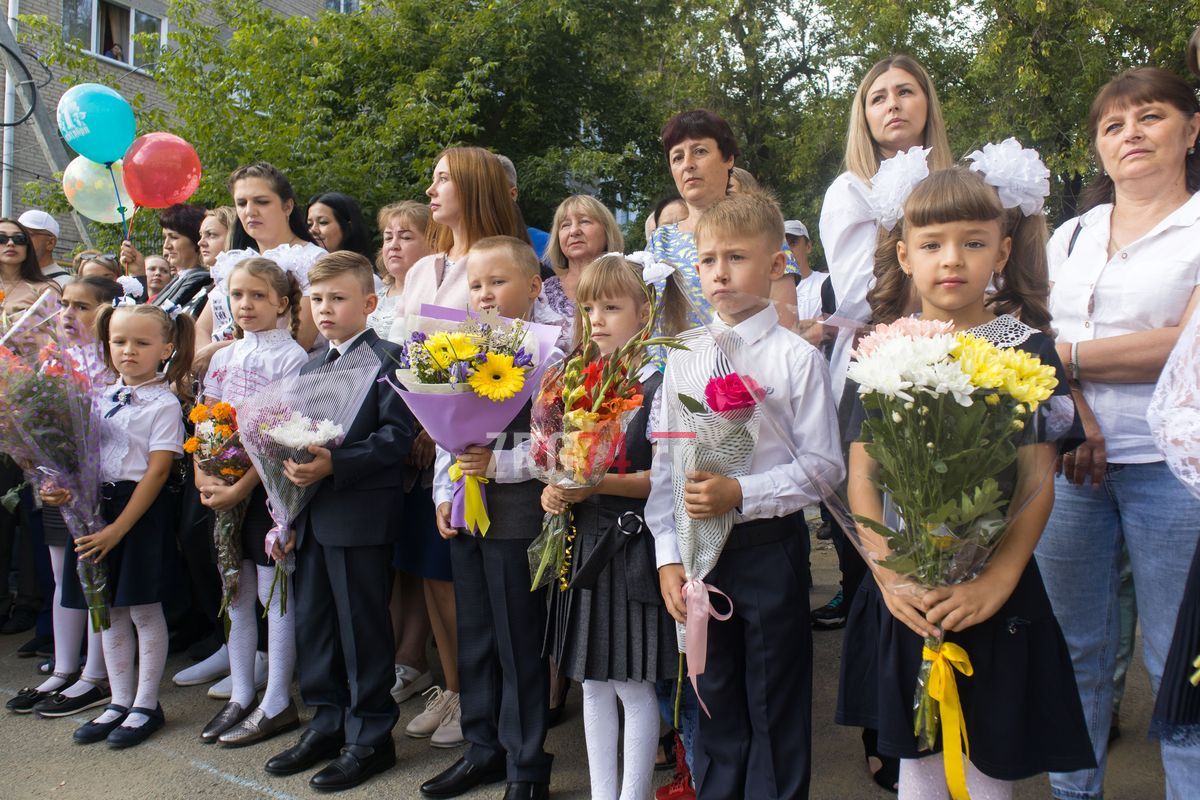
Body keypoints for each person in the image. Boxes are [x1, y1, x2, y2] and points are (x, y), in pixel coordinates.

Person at [839, 163, 1095, 799]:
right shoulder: (878, 349)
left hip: (992, 588)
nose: (951, 260)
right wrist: (888, 570)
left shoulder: (1025, 350)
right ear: (904, 254)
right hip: (908, 586)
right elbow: (861, 477)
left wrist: (998, 579)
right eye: (931, 245)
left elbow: (1038, 480)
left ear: (1003, 251)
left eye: (974, 242)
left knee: (988, 762)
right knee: (917, 759)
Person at [1035, 67, 1200, 800]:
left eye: (1151, 117)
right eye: (1113, 125)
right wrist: (1073, 398)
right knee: (1076, 653)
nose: (1130, 134)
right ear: (1098, 149)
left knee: (1182, 659)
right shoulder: (1069, 236)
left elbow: (1187, 345)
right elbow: (1025, 334)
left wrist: (1065, 358)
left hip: (1177, 473)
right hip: (1071, 467)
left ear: (1192, 130)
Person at [649, 190, 843, 799]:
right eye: (707, 261)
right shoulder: (680, 356)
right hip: (700, 556)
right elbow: (665, 466)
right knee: (717, 698)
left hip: (766, 551)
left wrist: (743, 491)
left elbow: (823, 466)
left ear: (776, 263)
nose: (720, 273)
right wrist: (668, 555)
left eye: (736, 258)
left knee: (774, 698)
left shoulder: (795, 359)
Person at [815, 58, 952, 783]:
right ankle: (889, 721)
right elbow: (866, 291)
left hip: (955, 373)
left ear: (929, 104)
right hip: (880, 374)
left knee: (950, 549)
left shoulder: (957, 181)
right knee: (886, 560)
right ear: (862, 116)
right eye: (878, 96)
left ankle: (947, 705)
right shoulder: (851, 190)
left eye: (906, 91)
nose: (893, 105)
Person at [388, 150, 527, 750]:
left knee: (504, 615)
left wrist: (457, 444)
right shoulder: (425, 268)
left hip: (495, 461)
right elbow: (415, 361)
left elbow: (512, 377)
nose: (432, 187)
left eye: (445, 177)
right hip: (441, 448)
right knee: (447, 586)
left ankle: (511, 737)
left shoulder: (505, 264)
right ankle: (465, 703)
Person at [264, 252, 413, 792]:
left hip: (361, 516)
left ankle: (371, 737)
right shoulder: (310, 363)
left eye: (339, 298)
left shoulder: (389, 358)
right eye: (318, 299)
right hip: (313, 515)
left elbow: (397, 438)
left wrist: (338, 463)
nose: (325, 309)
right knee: (316, 625)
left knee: (362, 629)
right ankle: (327, 723)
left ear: (370, 304)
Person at [421, 235, 556, 800]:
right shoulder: (457, 344)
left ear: (533, 286)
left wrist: (497, 464)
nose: (485, 294)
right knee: (475, 635)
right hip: (467, 513)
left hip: (517, 511)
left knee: (516, 641)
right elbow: (441, 434)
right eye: (476, 284)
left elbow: (557, 444)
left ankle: (527, 762)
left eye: (498, 282)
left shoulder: (552, 354)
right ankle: (483, 749)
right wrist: (442, 492)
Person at [541, 255, 677, 800]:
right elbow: (560, 460)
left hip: (632, 543)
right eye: (589, 306)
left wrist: (591, 485)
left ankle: (635, 794)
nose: (596, 318)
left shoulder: (658, 383)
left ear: (645, 312)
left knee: (634, 686)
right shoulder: (579, 377)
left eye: (612, 306)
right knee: (593, 683)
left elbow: (660, 481)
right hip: (585, 541)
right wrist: (554, 488)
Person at [55, 302, 193, 748]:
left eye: (141, 343)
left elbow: (156, 471)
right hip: (96, 510)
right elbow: (78, 457)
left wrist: (119, 529)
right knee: (107, 607)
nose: (128, 351)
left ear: (166, 349)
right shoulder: (95, 396)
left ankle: (146, 703)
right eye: (119, 342)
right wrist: (58, 487)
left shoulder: (164, 402)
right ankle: (118, 699)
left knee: (142, 608)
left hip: (138, 513)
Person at [195, 257, 308, 748]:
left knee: (273, 594)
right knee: (235, 591)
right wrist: (205, 473)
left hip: (267, 494)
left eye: (258, 296)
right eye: (238, 295)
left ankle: (278, 699)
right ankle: (242, 693)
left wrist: (240, 488)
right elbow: (206, 421)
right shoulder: (224, 357)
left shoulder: (291, 359)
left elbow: (281, 437)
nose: (246, 304)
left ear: (282, 303)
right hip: (225, 490)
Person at [5, 277, 121, 719]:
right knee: (64, 578)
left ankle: (96, 672)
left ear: (107, 311)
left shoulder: (113, 364)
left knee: (96, 576)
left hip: (100, 490)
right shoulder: (54, 361)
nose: (68, 315)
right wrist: (41, 467)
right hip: (59, 487)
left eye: (82, 306)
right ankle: (65, 665)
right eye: (65, 306)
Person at [649, 110, 801, 346]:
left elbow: (785, 323)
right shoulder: (659, 241)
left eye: (700, 151)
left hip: (746, 378)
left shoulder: (757, 228)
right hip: (667, 378)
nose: (688, 164)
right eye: (677, 157)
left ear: (728, 158)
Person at [197, 163, 322, 352]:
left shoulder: (312, 260)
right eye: (241, 203)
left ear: (287, 206)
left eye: (261, 201)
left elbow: (297, 342)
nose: (249, 211)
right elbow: (201, 327)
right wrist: (210, 365)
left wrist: (218, 352)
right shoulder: (239, 260)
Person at [542, 195, 624, 314]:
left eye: (584, 221)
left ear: (607, 231)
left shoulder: (628, 285)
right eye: (565, 225)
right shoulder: (540, 294)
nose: (574, 231)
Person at [369, 201, 432, 340]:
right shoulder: (374, 296)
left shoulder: (439, 297)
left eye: (405, 237)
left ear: (433, 244)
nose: (393, 245)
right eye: (388, 237)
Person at [139, 204, 211, 316]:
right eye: (165, 237)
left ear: (196, 240)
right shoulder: (182, 277)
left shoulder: (199, 280)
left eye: (173, 237)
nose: (166, 245)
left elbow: (154, 318)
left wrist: (137, 275)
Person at [307, 192, 375, 262]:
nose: (312, 230)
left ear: (349, 227)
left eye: (323, 222)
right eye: (309, 224)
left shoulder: (365, 272)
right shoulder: (299, 268)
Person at [786, 219, 828, 323]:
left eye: (793, 243)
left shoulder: (827, 282)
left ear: (808, 246)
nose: (788, 250)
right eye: (782, 246)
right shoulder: (771, 294)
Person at [16, 209, 71, 288]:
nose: (21, 240)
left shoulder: (65, 284)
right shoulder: (10, 277)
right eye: (19, 235)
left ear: (50, 243)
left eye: (29, 235)